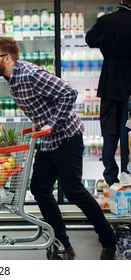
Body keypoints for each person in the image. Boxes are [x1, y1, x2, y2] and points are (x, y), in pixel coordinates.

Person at [0, 37, 117, 260]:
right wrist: (39, 122)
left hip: (67, 137)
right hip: (48, 142)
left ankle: (108, 239)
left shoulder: (30, 73)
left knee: (73, 190)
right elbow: (45, 102)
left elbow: (68, 93)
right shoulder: (11, 78)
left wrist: (52, 123)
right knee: (40, 188)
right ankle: (61, 242)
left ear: (6, 58)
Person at [85, 1, 131, 186]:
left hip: (110, 80)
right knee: (127, 130)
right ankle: (128, 173)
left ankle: (110, 176)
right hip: (130, 82)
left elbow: (90, 40)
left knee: (109, 129)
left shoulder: (106, 21)